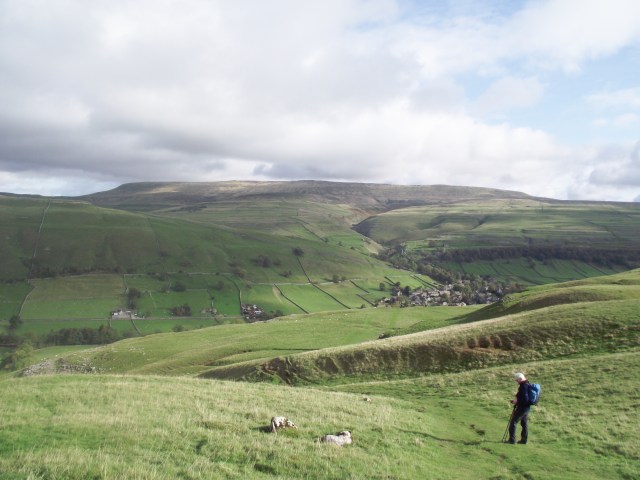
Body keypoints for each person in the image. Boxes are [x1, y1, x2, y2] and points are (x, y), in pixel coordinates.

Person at [508, 372, 531, 444]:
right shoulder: (527, 384)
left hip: (522, 408)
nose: (517, 382)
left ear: (520, 379)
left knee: (513, 422)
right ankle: (524, 440)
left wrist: (516, 402)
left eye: (517, 380)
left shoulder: (523, 386)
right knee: (524, 423)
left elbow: (525, 399)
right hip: (527, 408)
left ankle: (512, 440)